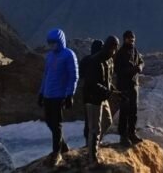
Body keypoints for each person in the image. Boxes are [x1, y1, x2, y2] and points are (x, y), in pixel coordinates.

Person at [37, 28, 79, 166]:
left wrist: (69, 94)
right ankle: (63, 146)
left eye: (53, 42)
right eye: (49, 42)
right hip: (48, 94)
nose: (51, 45)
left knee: (56, 124)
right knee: (49, 122)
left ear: (60, 41)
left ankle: (57, 152)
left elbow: (73, 76)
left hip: (59, 95)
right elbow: (46, 76)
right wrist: (41, 93)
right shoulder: (50, 56)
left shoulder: (69, 55)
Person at [82, 35, 119, 164]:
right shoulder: (94, 61)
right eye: (112, 47)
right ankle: (92, 157)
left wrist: (115, 90)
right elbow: (92, 83)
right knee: (94, 128)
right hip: (93, 99)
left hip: (103, 98)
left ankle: (95, 144)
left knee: (108, 122)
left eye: (115, 48)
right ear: (107, 46)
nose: (113, 51)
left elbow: (107, 80)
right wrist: (106, 90)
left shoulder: (109, 61)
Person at [114, 30, 145, 146]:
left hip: (134, 85)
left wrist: (140, 67)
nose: (131, 40)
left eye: (133, 39)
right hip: (124, 86)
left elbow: (141, 61)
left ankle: (132, 133)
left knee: (134, 111)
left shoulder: (135, 51)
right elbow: (117, 70)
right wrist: (132, 70)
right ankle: (123, 136)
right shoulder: (120, 53)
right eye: (129, 39)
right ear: (124, 39)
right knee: (124, 112)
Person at [79, 39, 104, 141]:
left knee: (88, 120)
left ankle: (88, 142)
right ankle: (93, 144)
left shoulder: (85, 59)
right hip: (95, 94)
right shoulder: (98, 61)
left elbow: (81, 75)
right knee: (96, 121)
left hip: (86, 92)